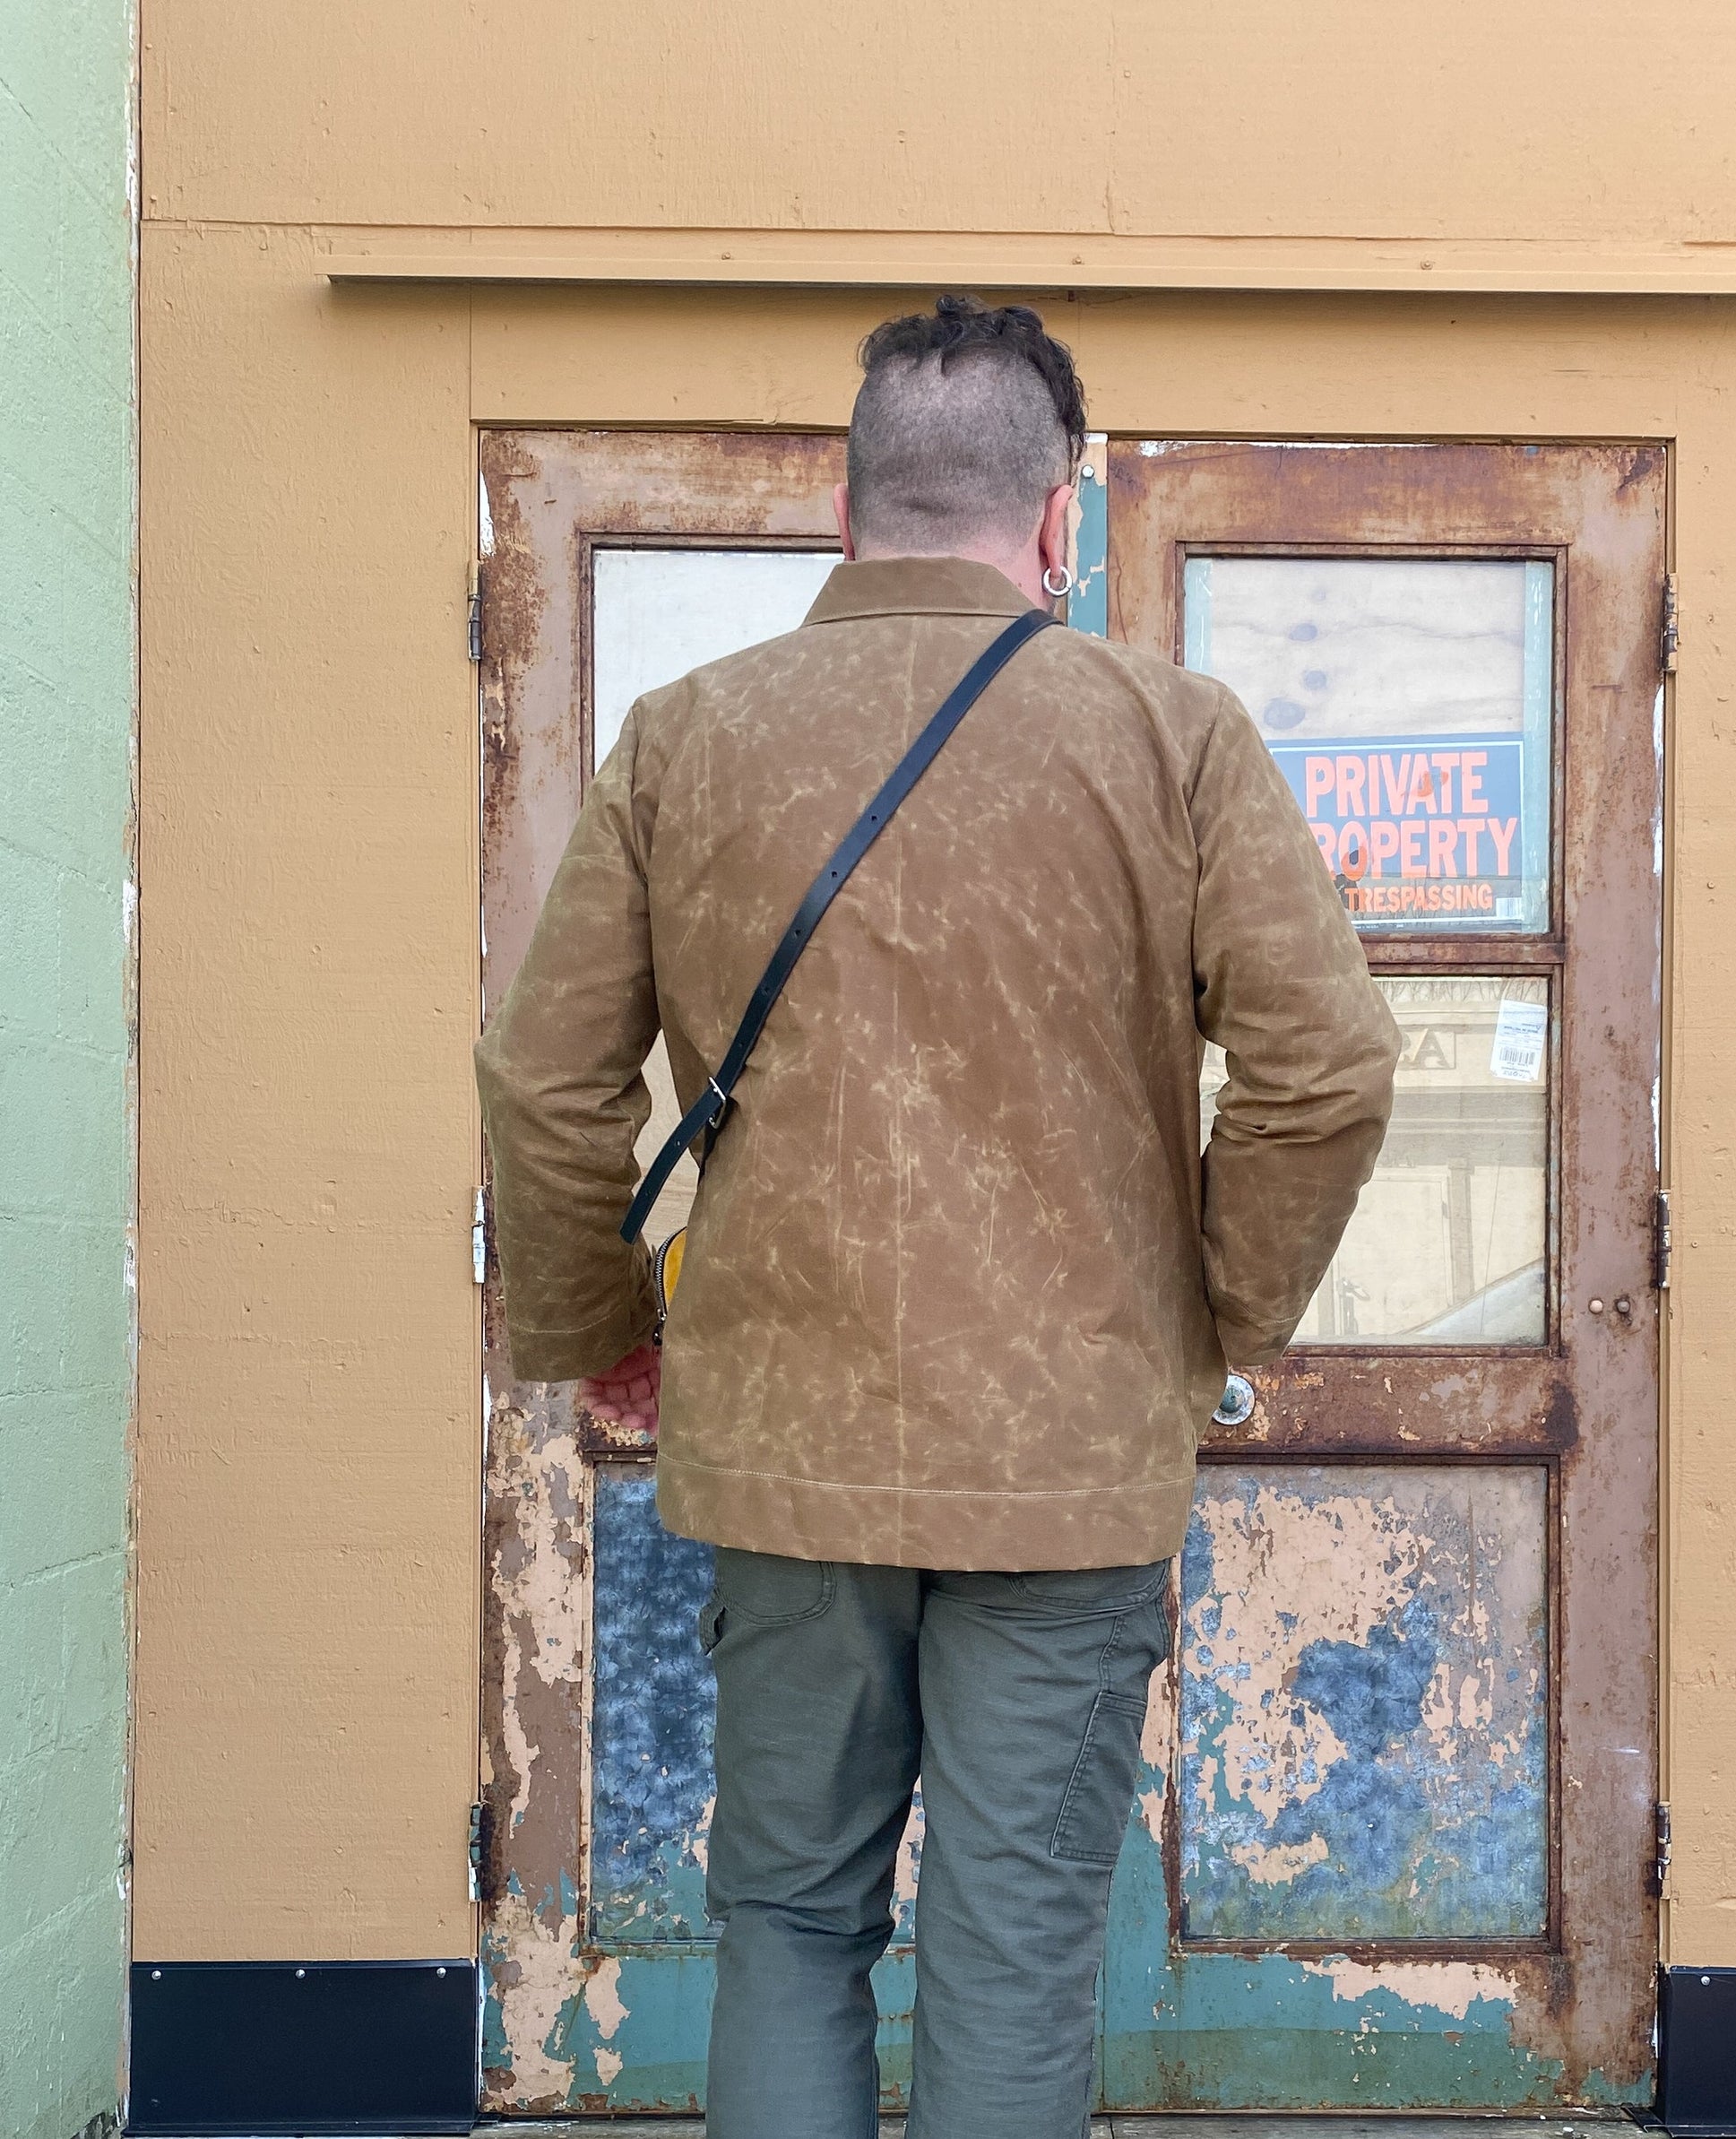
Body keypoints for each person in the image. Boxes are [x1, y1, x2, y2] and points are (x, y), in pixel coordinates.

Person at [475, 294, 1399, 2139]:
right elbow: (1330, 1071)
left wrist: (610, 1334)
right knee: (1012, 1949)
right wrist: (1207, 1320)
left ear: (851, 503)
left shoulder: (684, 737)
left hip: (788, 1453)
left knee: (789, 1923)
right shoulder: (1173, 732)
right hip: (1063, 1471)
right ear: (1057, 517)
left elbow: (541, 1083)